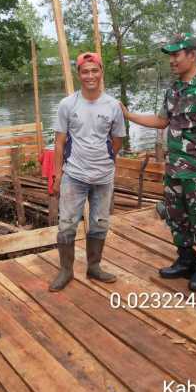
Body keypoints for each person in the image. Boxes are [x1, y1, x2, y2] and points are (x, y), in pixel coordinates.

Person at [122, 33, 196, 291]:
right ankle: (185, 259)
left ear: (192, 55)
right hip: (175, 169)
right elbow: (162, 122)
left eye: (176, 54)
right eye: (170, 55)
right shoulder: (174, 89)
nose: (171, 60)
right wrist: (128, 114)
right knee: (176, 216)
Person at [50, 52, 126, 291]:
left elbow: (117, 140)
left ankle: (94, 267)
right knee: (67, 224)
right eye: (85, 71)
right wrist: (57, 173)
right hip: (74, 174)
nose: (90, 75)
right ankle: (66, 270)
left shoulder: (113, 106)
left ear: (101, 72)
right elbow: (59, 142)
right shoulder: (67, 104)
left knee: (100, 222)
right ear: (79, 74)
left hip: (103, 176)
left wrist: (104, 159)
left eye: (95, 70)